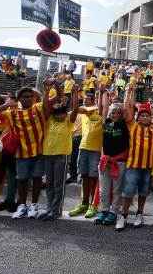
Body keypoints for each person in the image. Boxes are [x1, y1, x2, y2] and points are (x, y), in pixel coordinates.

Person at [0, 87, 46, 219]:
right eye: (25, 96)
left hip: (39, 151)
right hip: (21, 152)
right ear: (19, 99)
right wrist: (6, 104)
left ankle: (34, 205)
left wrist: (45, 89)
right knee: (22, 180)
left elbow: (49, 100)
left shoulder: (38, 108)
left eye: (30, 96)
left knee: (37, 179)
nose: (28, 99)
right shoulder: (11, 113)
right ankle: (22, 206)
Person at [115, 85, 153, 231]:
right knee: (128, 191)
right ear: (138, 116)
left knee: (143, 191)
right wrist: (130, 92)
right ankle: (124, 215)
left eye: (147, 115)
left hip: (147, 167)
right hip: (133, 166)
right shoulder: (133, 126)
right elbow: (128, 108)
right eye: (142, 115)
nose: (144, 117)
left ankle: (139, 214)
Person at [39, 80, 79, 220]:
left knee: (58, 184)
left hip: (61, 155)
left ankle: (56, 211)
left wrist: (74, 93)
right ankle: (49, 207)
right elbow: (45, 107)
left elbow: (75, 109)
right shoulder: (49, 119)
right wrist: (46, 90)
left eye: (62, 112)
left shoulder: (68, 120)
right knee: (49, 183)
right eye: (57, 113)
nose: (60, 115)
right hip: (48, 154)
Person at [94, 94, 130, 226]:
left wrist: (128, 91)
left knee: (116, 190)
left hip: (118, 162)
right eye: (112, 112)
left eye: (117, 112)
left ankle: (113, 212)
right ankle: (103, 210)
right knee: (104, 189)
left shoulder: (123, 125)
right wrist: (103, 93)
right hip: (105, 161)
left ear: (121, 114)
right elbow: (103, 108)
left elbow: (127, 108)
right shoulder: (106, 124)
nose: (114, 114)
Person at [68, 91, 104, 219]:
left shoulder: (100, 113)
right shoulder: (83, 112)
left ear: (94, 101)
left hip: (96, 150)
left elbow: (101, 107)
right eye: (84, 100)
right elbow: (76, 109)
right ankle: (84, 203)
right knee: (84, 176)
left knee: (94, 177)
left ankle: (93, 205)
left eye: (87, 100)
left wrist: (101, 93)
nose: (85, 102)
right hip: (83, 147)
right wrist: (74, 93)